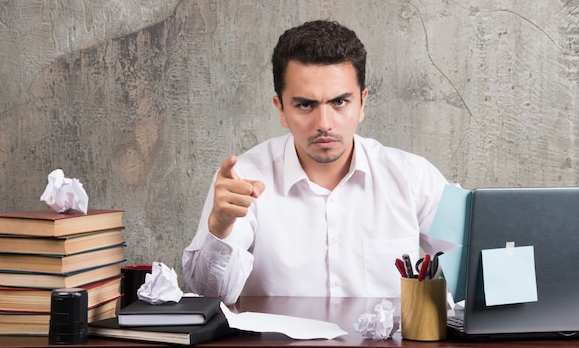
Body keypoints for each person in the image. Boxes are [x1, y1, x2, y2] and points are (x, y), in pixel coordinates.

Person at [182, 20, 450, 305]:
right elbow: (207, 297)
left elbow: (476, 262)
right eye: (305, 105)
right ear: (281, 109)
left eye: (340, 102)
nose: (324, 124)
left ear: (362, 103)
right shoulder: (243, 179)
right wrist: (219, 229)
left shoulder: (414, 178)